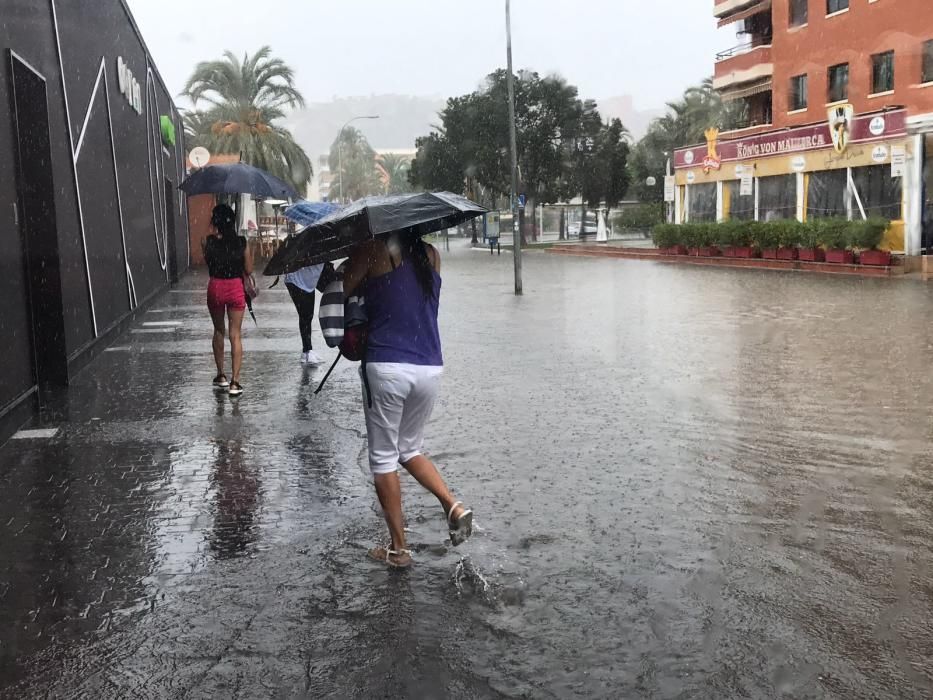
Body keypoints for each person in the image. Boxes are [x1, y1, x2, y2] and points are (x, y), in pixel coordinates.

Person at [344, 232, 473, 569]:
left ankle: (399, 550)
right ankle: (452, 505)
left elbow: (341, 289)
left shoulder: (372, 251)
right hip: (429, 366)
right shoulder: (431, 255)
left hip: (388, 364)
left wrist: (350, 260)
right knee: (409, 449)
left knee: (384, 458)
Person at [203, 204, 252, 397]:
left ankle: (221, 375)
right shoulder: (241, 242)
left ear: (216, 222)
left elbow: (210, 263)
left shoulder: (208, 241)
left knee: (218, 330)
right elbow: (248, 270)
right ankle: (235, 382)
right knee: (235, 334)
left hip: (215, 286)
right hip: (234, 288)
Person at [284, 263, 325, 365]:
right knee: (304, 315)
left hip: (309, 281)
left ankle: (307, 350)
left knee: (309, 316)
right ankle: (307, 351)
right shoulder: (308, 249)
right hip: (296, 280)